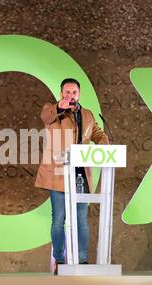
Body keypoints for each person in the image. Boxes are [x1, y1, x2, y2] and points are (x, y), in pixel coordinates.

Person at [34, 78, 109, 273]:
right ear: (61, 94)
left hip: (80, 174)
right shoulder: (52, 110)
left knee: (81, 220)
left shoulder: (87, 114)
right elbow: (46, 117)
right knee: (59, 219)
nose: (70, 96)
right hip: (58, 173)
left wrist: (103, 144)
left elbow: (97, 134)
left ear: (79, 94)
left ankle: (83, 260)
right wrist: (59, 107)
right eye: (66, 92)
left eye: (74, 93)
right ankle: (60, 260)